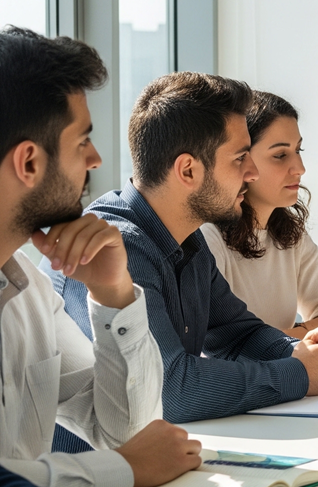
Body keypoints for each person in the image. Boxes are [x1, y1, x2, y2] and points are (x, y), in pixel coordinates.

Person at [46, 72, 318, 431]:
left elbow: (238, 335)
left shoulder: (189, 241)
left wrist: (303, 349)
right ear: (188, 170)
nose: (252, 173)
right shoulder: (118, 246)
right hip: (93, 463)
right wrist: (301, 374)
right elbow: (171, 391)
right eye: (240, 158)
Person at [0, 27, 199, 487]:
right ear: (29, 162)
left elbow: (129, 430)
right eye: (81, 141)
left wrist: (114, 292)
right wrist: (125, 470)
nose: (95, 159)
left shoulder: (28, 289)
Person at [200, 91, 318, 337]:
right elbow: (217, 341)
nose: (300, 168)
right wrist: (298, 340)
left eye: (298, 150)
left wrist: (297, 335)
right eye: (280, 155)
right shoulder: (208, 237)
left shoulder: (289, 235)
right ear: (241, 159)